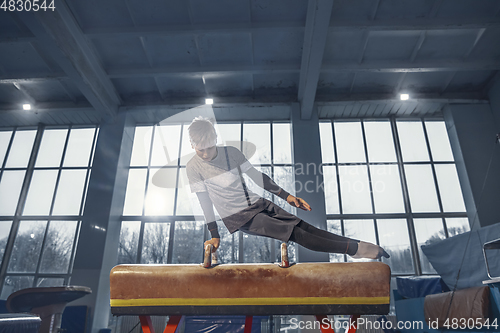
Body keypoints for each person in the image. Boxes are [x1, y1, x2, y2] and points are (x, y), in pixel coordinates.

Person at [186, 116, 389, 260]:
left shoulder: (231, 152)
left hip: (258, 203)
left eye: (210, 148)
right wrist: (214, 235)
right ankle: (353, 249)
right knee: (296, 234)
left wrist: (288, 196)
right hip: (240, 217)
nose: (206, 154)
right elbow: (205, 203)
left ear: (216, 140)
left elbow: (257, 177)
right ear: (192, 145)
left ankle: (355, 246)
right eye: (201, 150)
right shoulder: (193, 167)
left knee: (304, 227)